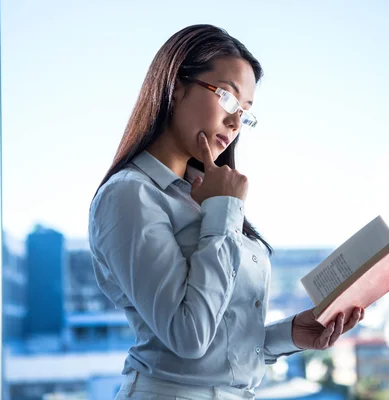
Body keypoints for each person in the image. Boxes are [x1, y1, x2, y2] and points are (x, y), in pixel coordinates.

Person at [88, 24, 364, 400]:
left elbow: (217, 349)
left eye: (246, 113)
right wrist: (225, 211)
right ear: (176, 84)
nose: (236, 123)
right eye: (229, 99)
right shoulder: (129, 196)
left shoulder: (201, 195)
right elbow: (188, 337)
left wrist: (292, 334)